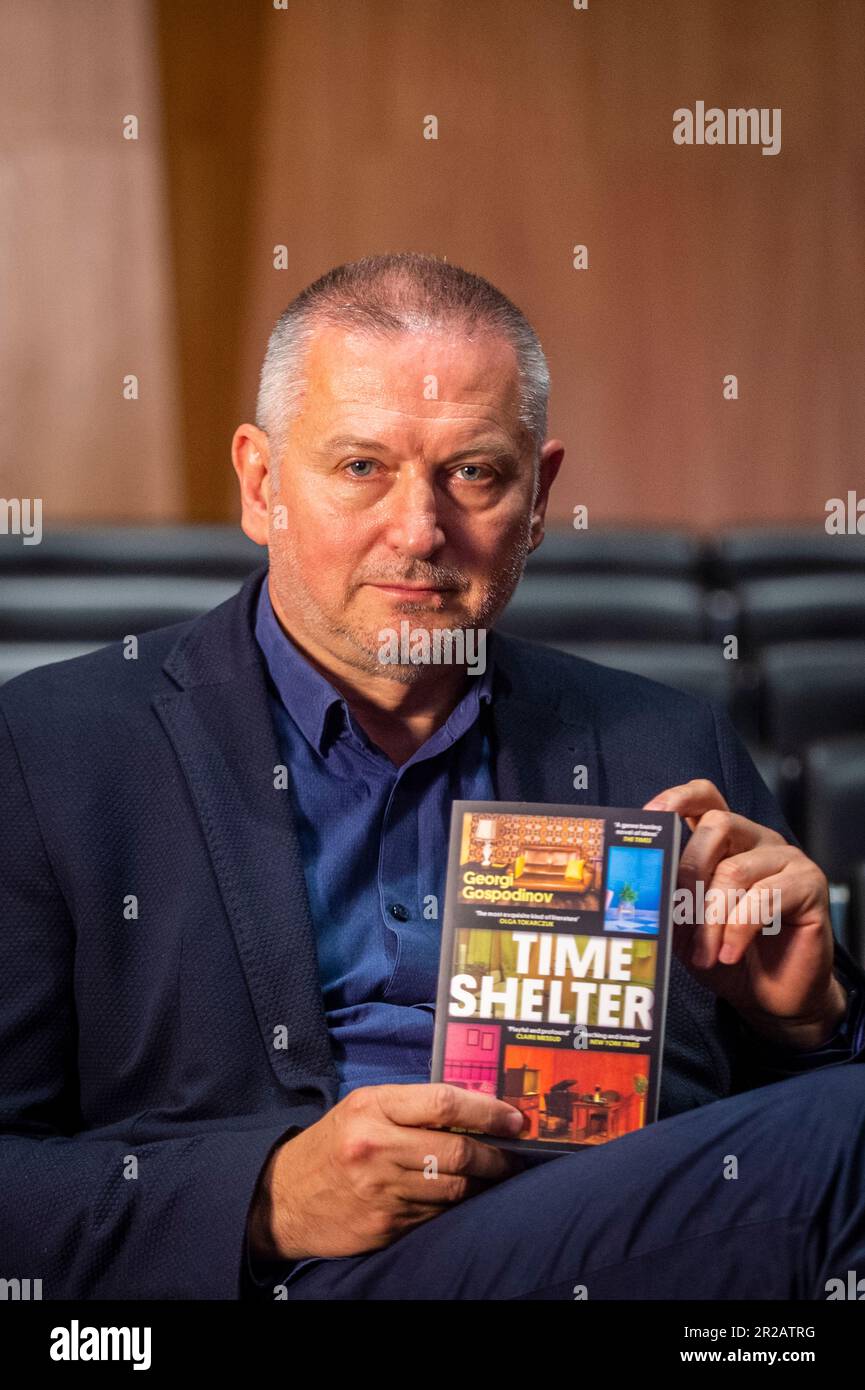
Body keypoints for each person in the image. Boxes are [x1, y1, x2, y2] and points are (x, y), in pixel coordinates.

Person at [1, 253, 863, 1302]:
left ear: (539, 497)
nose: (418, 532)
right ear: (262, 483)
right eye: (361, 467)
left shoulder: (667, 743)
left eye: (474, 474)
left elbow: (789, 1180)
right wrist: (264, 1197)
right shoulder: (47, 750)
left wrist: (810, 1020)